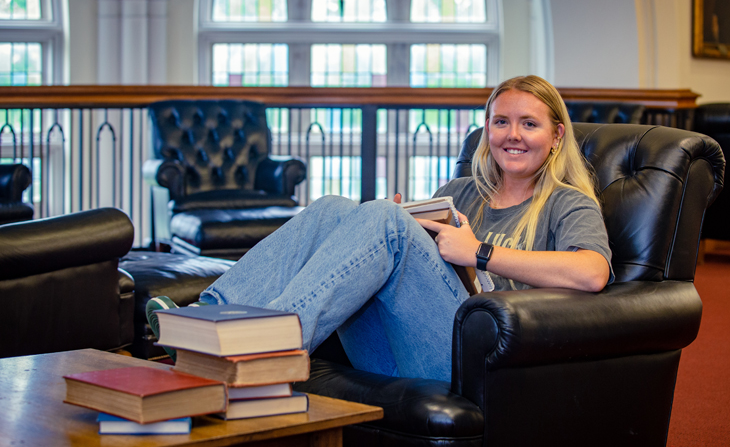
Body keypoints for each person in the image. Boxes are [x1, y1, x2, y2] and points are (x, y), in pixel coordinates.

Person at [146, 75, 613, 382]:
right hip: (404, 345)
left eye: (529, 124)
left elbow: (593, 273)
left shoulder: (567, 202)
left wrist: (479, 252)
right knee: (334, 208)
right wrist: (392, 227)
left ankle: (263, 344)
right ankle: (211, 318)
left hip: (475, 357)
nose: (512, 135)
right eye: (501, 122)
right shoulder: (461, 190)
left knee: (383, 220)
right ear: (487, 130)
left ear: (555, 137)